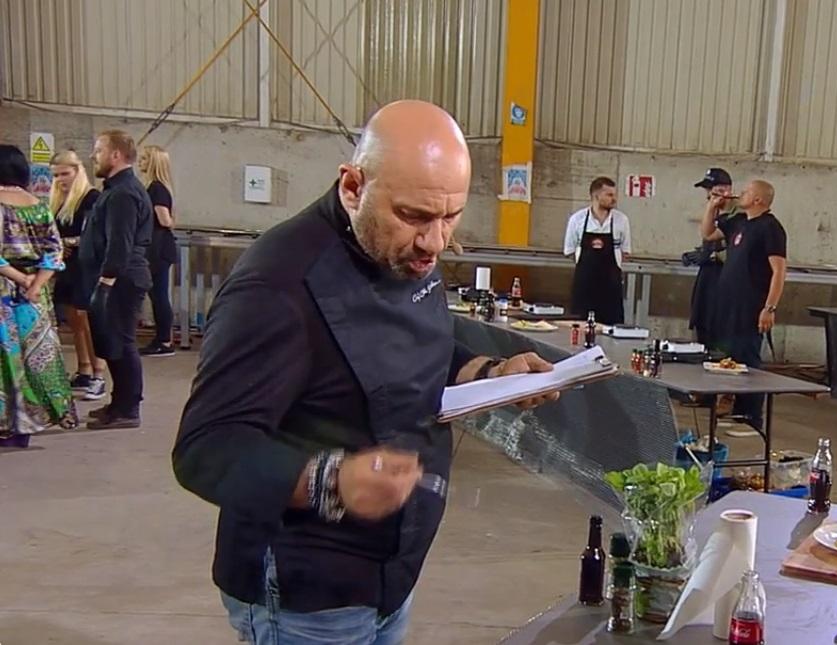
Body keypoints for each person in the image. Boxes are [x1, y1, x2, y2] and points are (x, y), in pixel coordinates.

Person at [172, 100, 563, 644]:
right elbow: (205, 450)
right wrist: (331, 481)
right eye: (415, 217)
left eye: (450, 217)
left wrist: (489, 371)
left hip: (391, 572)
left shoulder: (403, 251)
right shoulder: (275, 287)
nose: (435, 242)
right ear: (353, 186)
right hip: (307, 594)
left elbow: (418, 344)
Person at [0, 144, 78, 447]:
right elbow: (55, 251)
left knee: (6, 363)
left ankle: (7, 426)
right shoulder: (39, 205)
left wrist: (19, 279)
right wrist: (34, 285)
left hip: (4, 292)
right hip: (35, 296)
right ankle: (27, 429)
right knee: (35, 360)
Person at [700, 179, 787, 436]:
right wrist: (712, 206)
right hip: (729, 303)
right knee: (732, 356)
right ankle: (737, 409)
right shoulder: (738, 222)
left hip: (751, 305)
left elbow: (779, 271)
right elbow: (708, 234)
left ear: (758, 199)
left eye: (747, 191)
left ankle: (752, 417)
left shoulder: (770, 228)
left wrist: (769, 307)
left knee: (748, 357)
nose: (741, 193)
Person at [80, 129, 153, 430]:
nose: (93, 156)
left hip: (121, 279)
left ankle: (128, 409)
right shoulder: (116, 190)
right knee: (113, 342)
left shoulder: (123, 194)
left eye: (98, 151)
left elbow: (120, 242)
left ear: (115, 155)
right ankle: (119, 402)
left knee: (121, 342)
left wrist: (106, 281)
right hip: (117, 276)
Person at [49, 149, 107, 400]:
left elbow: (95, 235)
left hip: (88, 266)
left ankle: (98, 374)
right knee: (74, 319)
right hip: (68, 266)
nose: (60, 180)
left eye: (65, 174)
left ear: (77, 171)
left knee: (88, 319)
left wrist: (67, 242)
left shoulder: (92, 198)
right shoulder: (58, 200)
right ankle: (84, 369)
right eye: (56, 175)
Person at [564, 176, 631, 324]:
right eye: (609, 195)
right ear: (596, 196)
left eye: (615, 195)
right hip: (584, 288)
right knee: (581, 327)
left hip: (611, 289)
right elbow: (569, 251)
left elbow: (625, 252)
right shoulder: (577, 220)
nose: (614, 199)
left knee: (611, 329)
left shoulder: (621, 221)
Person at [688, 167, 741, 349]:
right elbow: (706, 235)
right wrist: (702, 253)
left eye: (713, 190)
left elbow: (735, 249)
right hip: (708, 277)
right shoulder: (715, 212)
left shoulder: (738, 215)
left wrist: (715, 254)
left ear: (727, 190)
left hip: (726, 280)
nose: (709, 195)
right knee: (703, 322)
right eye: (708, 190)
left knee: (720, 331)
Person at [138, 144, 178, 357]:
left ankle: (164, 340)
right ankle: (162, 338)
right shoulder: (157, 188)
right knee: (157, 294)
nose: (140, 162)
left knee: (159, 295)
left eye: (144, 158)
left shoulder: (156, 189)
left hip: (158, 249)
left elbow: (164, 219)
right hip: (157, 248)